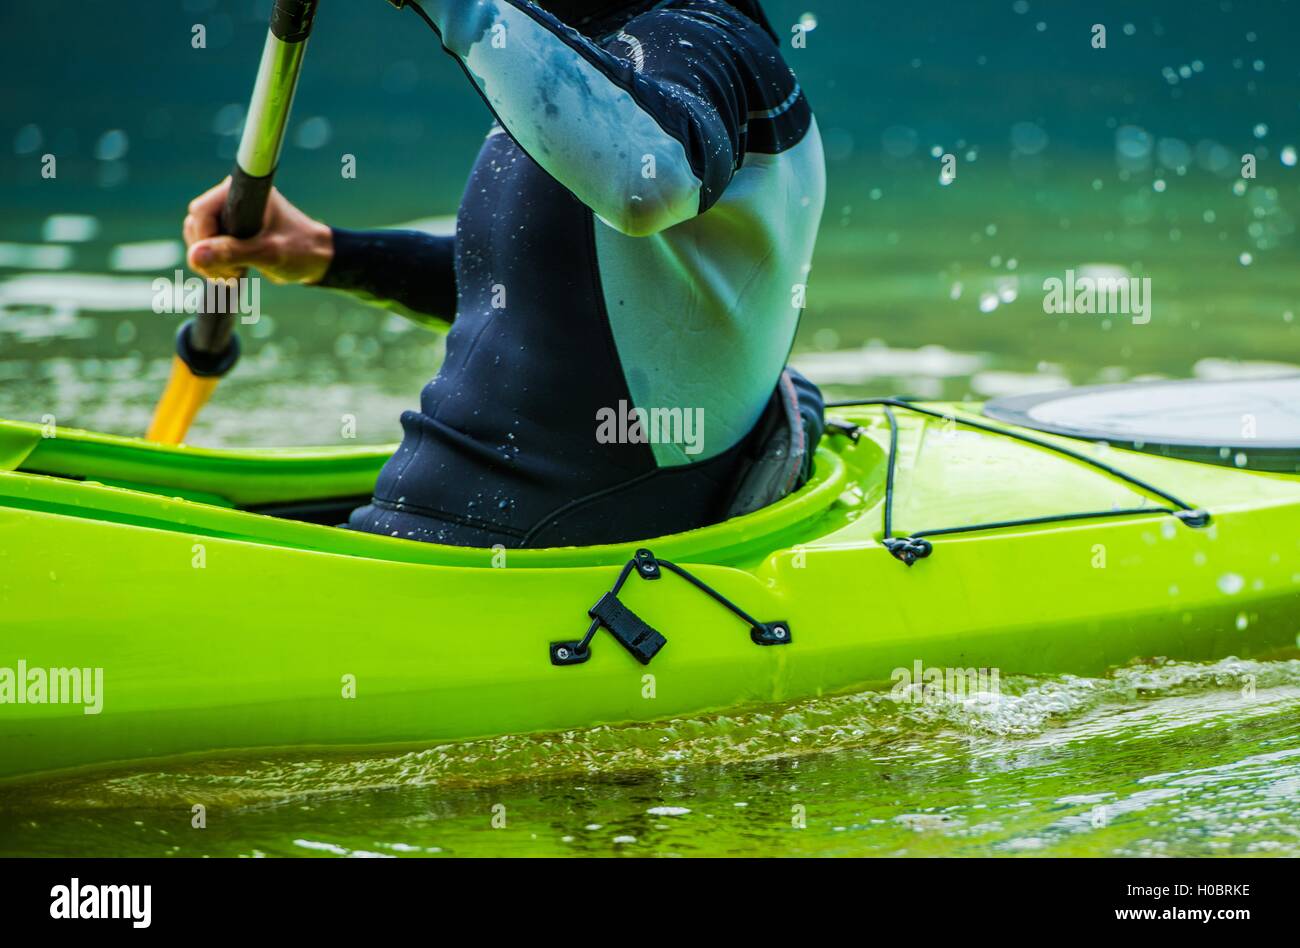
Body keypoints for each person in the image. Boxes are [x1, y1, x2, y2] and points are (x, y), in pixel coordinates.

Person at [183, 0, 826, 547]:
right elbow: (536, 298)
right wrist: (327, 252)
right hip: (424, 535)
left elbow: (647, 179)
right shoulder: (577, 60)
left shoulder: (705, 40)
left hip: (523, 552)